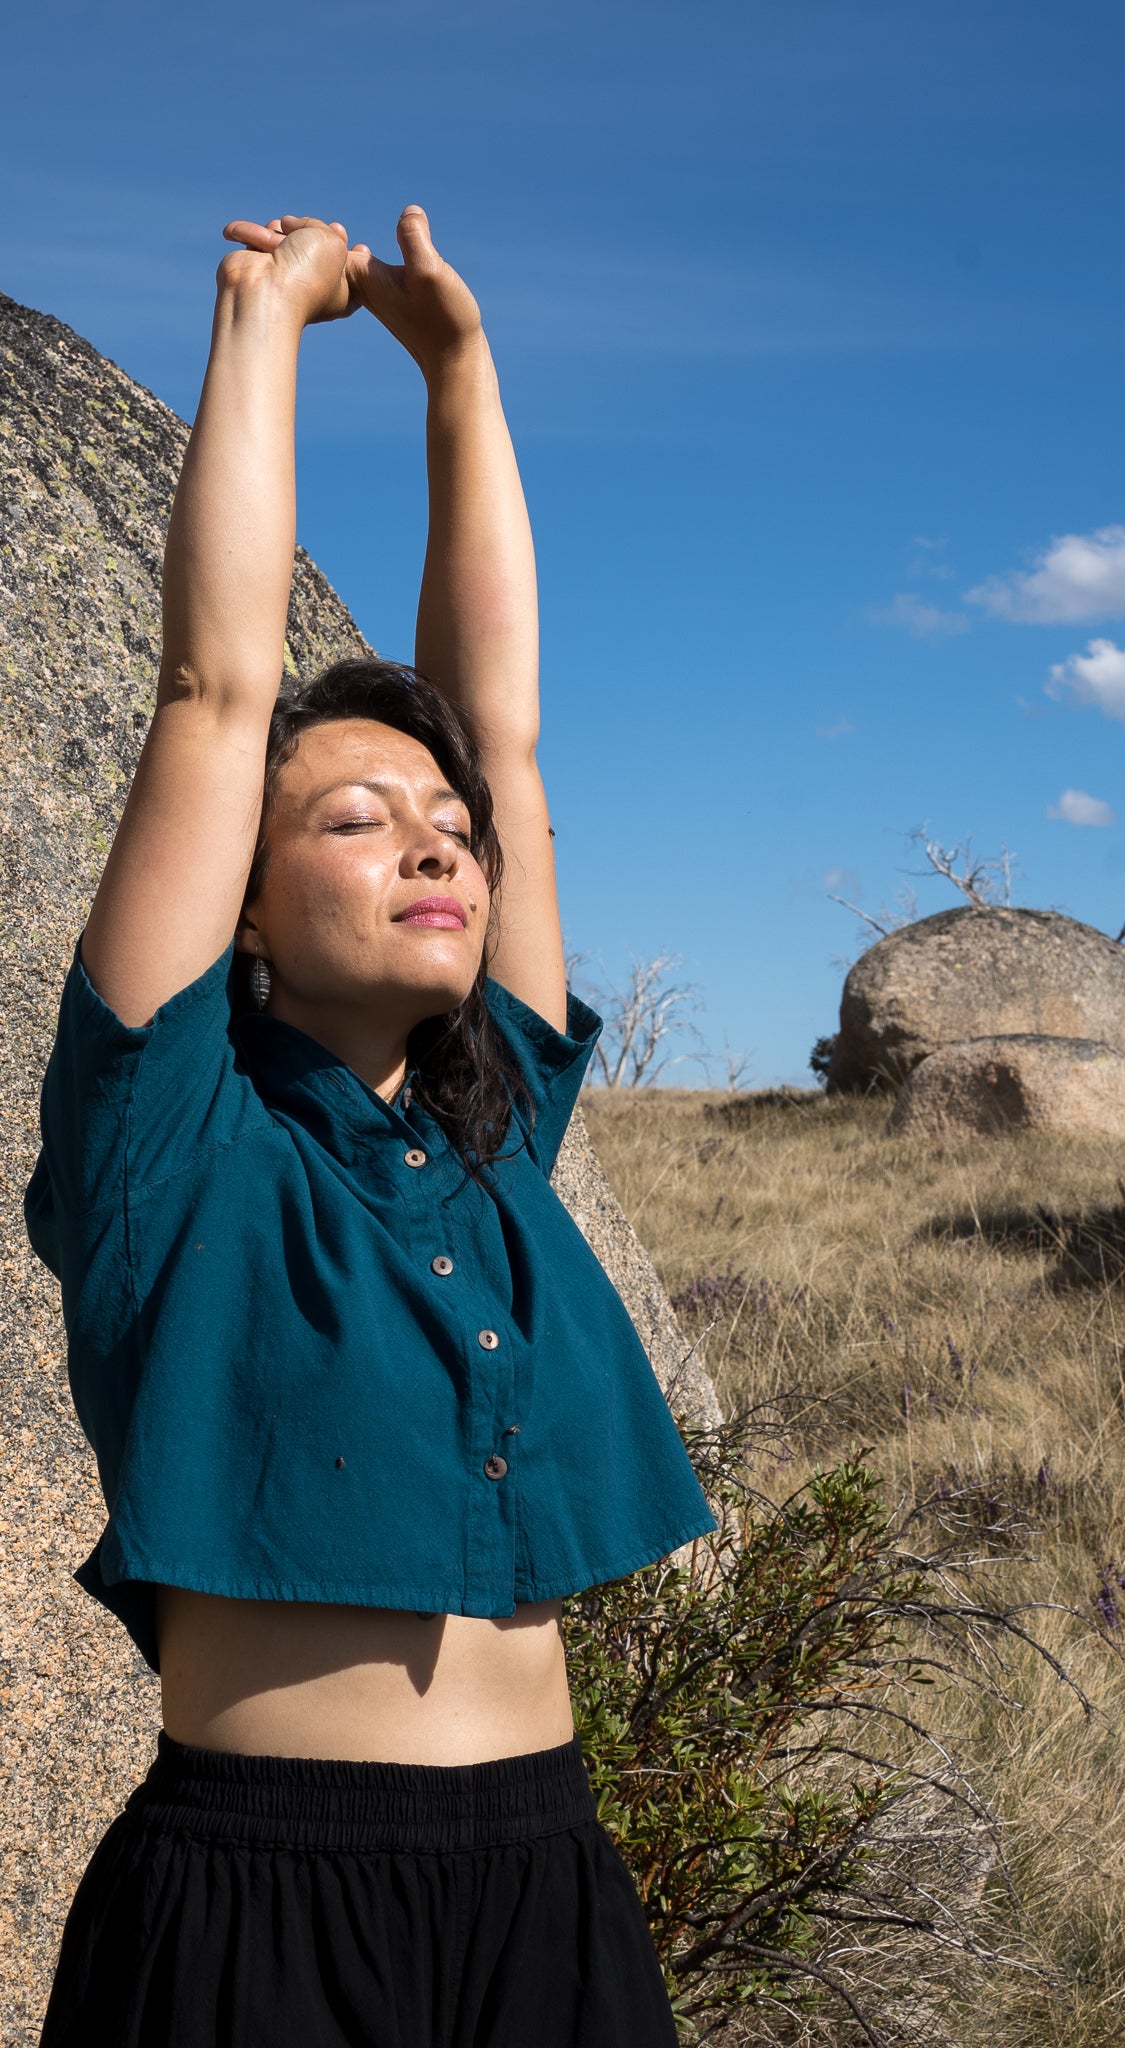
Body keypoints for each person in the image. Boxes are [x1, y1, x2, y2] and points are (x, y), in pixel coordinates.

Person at [24, 206, 718, 2047]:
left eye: (444, 828)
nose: (432, 839)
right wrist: (265, 320)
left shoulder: (496, 1152)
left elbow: (503, 735)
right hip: (258, 1907)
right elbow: (215, 687)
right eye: (349, 818)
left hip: (551, 1892)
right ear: (240, 908)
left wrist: (459, 374)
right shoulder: (170, 1151)